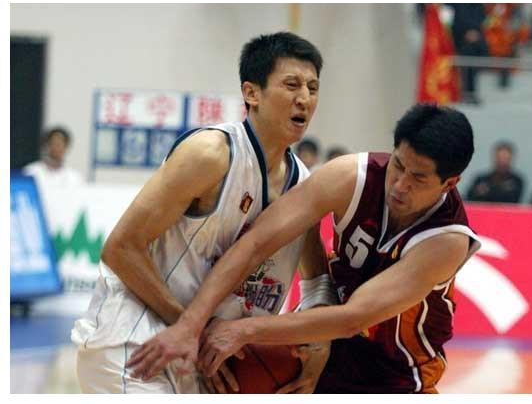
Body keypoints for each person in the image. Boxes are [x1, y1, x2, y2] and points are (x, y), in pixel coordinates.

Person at [127, 103, 482, 393]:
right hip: (315, 339)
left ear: (449, 183)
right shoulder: (350, 176)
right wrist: (192, 323)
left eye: (418, 178)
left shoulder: (446, 241)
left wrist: (243, 330)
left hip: (396, 373)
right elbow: (257, 241)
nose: (400, 184)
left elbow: (353, 318)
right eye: (398, 165)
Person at [71, 31, 333, 393]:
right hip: (136, 343)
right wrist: (190, 328)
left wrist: (321, 341)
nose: (304, 98)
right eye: (291, 85)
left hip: (205, 357)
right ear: (251, 93)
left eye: (313, 88)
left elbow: (318, 281)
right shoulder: (211, 154)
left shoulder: (304, 186)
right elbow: (121, 248)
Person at [446, 4, 489, 104]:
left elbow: (481, 16)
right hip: (459, 37)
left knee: (473, 62)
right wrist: (467, 31)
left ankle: (470, 92)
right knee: (465, 62)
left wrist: (475, 31)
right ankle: (465, 92)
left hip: (476, 39)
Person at [23, 126, 83, 191]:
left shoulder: (74, 177)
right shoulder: (31, 172)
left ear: (66, 147)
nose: (56, 148)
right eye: (54, 143)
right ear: (47, 145)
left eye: (59, 144)